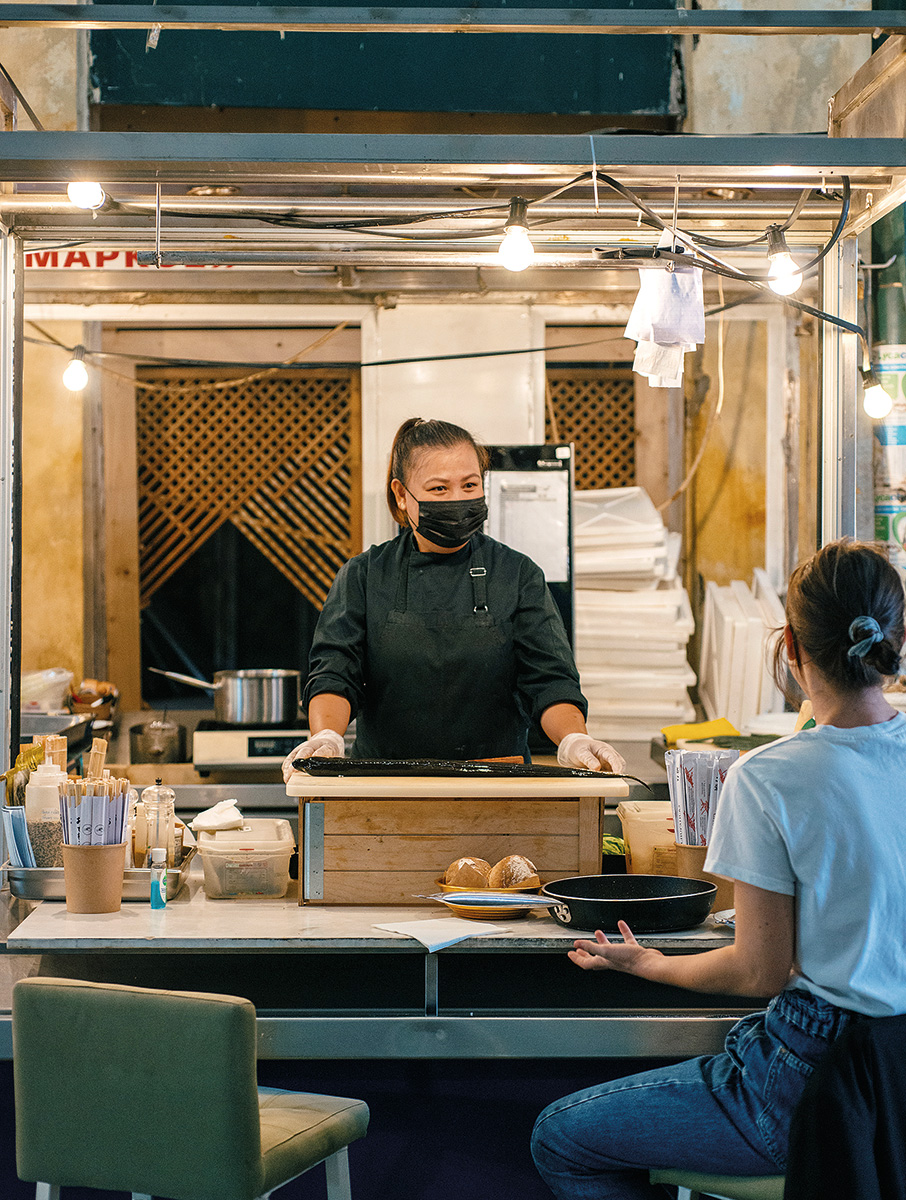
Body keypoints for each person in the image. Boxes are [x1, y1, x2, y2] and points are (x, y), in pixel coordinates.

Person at [531, 538, 906, 1200]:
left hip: (814, 1081)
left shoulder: (768, 777)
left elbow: (759, 969)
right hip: (898, 1089)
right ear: (895, 636)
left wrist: (648, 962)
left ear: (790, 648)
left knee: (562, 1136)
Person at [282, 417, 625, 776]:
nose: (458, 500)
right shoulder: (364, 575)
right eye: (439, 489)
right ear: (402, 495)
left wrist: (574, 738)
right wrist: (326, 735)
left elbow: (550, 681)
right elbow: (334, 673)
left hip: (498, 788)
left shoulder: (518, 574)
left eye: (469, 485)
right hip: (386, 787)